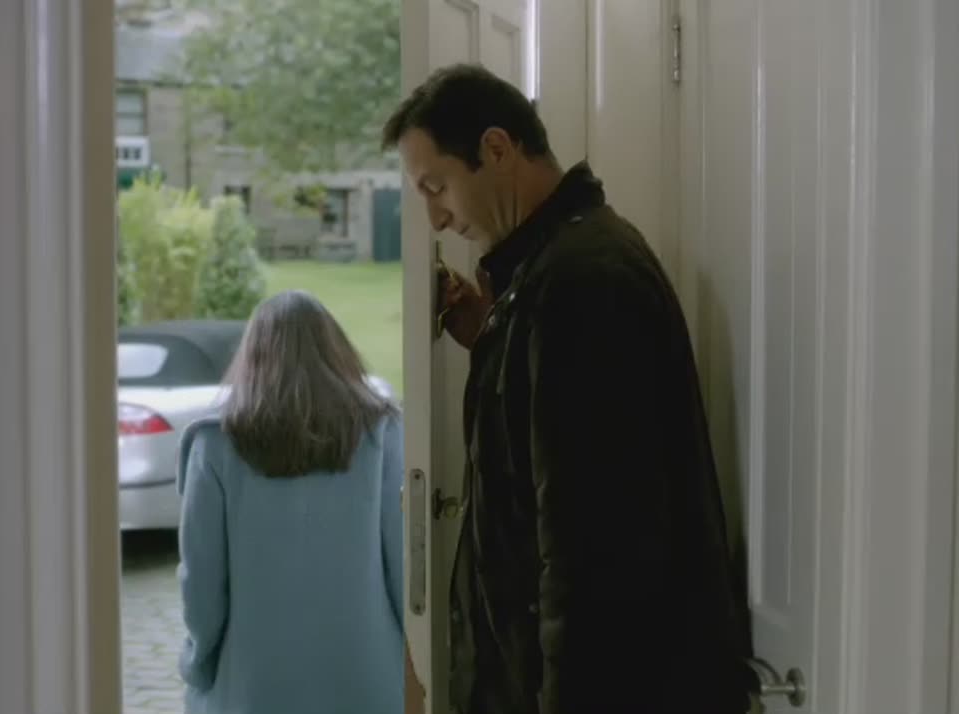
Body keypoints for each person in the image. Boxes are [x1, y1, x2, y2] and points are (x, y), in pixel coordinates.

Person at [384, 63, 755, 714]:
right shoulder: (553, 271)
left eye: (436, 187)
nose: (435, 219)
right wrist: (492, 336)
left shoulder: (585, 283)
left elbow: (594, 551)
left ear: (497, 149)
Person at [174, 290, 405, 714]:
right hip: (368, 678)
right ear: (336, 351)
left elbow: (201, 581)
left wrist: (198, 660)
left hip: (252, 685)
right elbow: (405, 566)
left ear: (253, 356)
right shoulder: (383, 434)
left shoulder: (213, 445)